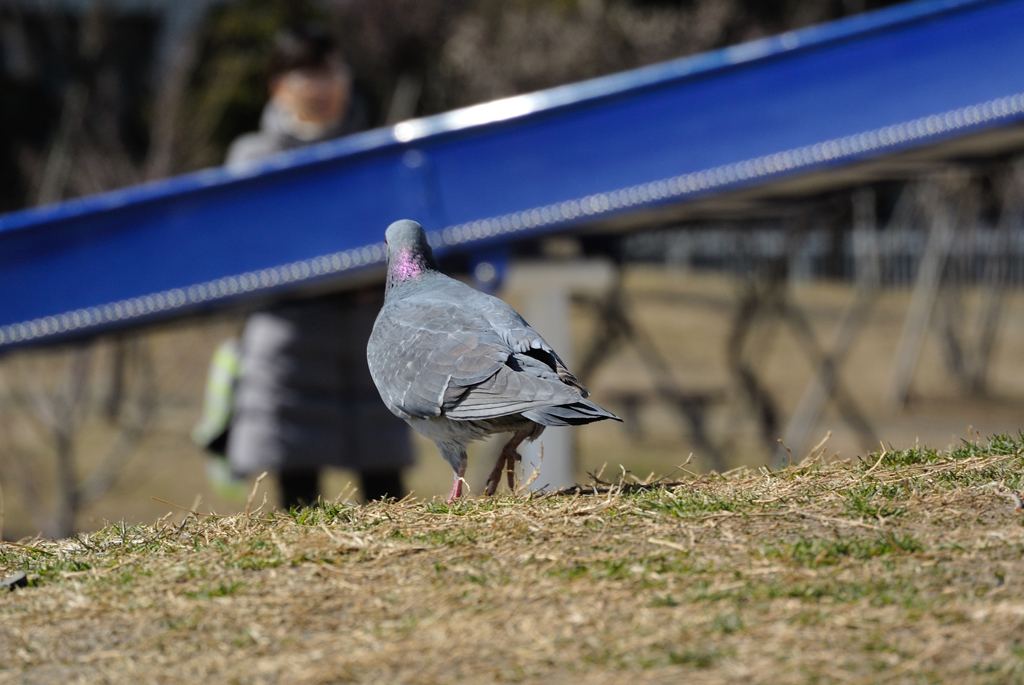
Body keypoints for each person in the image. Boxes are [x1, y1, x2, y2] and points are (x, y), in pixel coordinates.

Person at [198, 26, 413, 509]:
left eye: (331, 72)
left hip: (371, 335)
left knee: (388, 494)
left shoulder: (380, 150)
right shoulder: (252, 158)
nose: (321, 87)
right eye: (306, 75)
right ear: (278, 86)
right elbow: (239, 250)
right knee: (297, 499)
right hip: (288, 343)